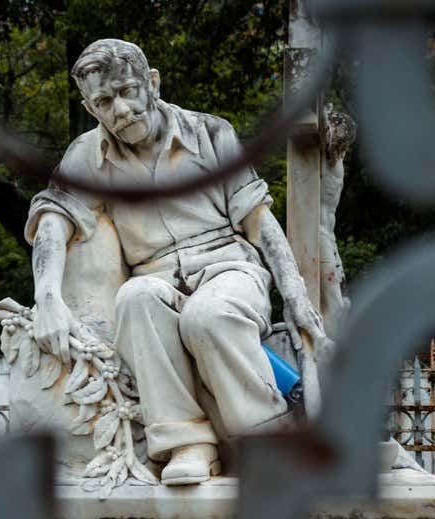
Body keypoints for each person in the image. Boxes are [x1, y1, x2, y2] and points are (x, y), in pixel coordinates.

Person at [25, 39, 328, 485]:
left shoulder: (210, 133)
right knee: (134, 299)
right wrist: (46, 296)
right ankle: (188, 443)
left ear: (152, 82)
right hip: (154, 272)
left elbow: (258, 220)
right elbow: (54, 220)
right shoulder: (86, 155)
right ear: (91, 108)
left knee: (209, 315)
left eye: (128, 91)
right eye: (105, 101)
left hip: (227, 266)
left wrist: (295, 295)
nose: (122, 110)